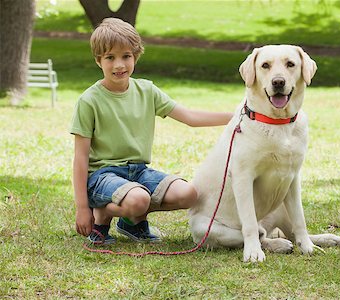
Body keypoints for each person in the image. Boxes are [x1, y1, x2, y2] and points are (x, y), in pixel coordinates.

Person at [70, 18, 232, 244]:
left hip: (138, 172)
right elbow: (80, 157)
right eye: (110, 57)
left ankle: (132, 224)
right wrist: (82, 207)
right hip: (102, 176)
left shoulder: (146, 90)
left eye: (126, 56)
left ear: (135, 56)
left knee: (189, 194)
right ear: (99, 61)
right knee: (138, 199)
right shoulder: (89, 100)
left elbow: (190, 117)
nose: (119, 65)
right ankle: (101, 217)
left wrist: (236, 117)